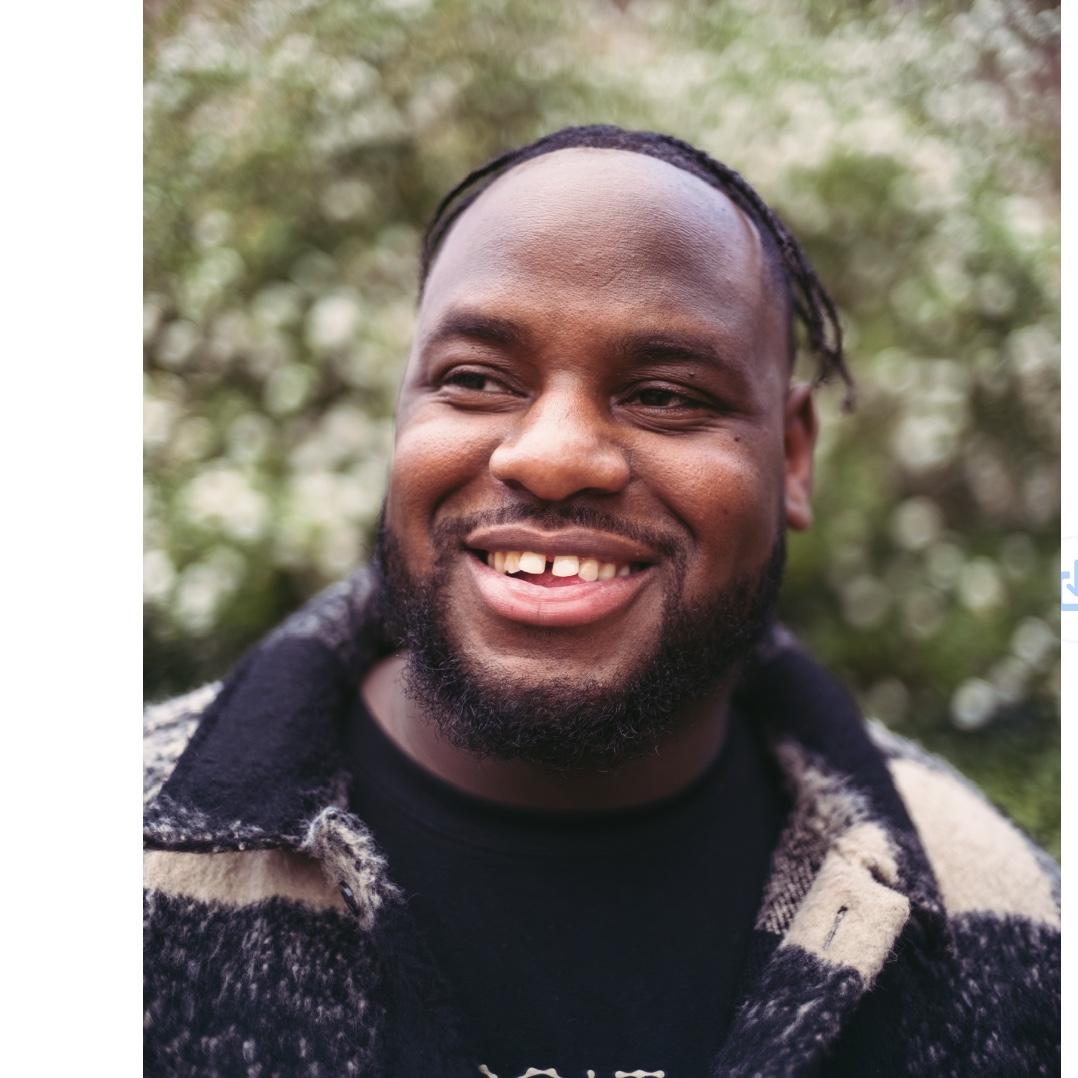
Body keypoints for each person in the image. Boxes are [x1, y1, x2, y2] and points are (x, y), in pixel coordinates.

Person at [144, 125, 1059, 1077]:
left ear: (791, 456)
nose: (550, 457)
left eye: (664, 395)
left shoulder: (1013, 926)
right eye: (474, 380)